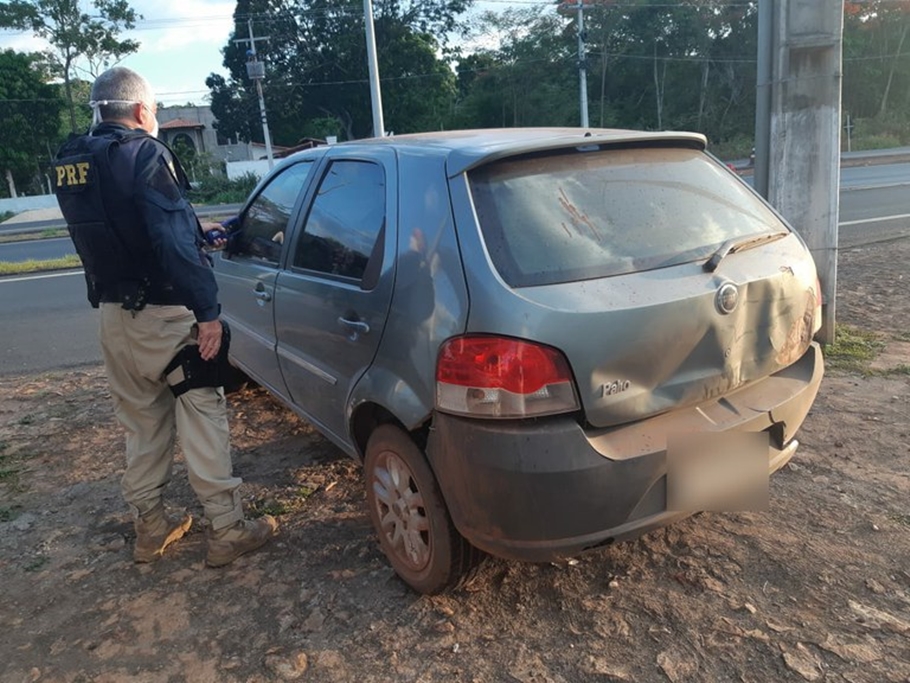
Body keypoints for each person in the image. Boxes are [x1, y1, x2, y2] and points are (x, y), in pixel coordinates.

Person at [52, 66, 277, 567]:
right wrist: (209, 314)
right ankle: (227, 529)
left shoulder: (75, 160)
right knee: (203, 417)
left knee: (142, 425)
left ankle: (149, 529)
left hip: (115, 319)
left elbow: (124, 226)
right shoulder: (145, 153)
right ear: (140, 110)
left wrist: (195, 229)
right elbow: (170, 242)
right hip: (168, 318)